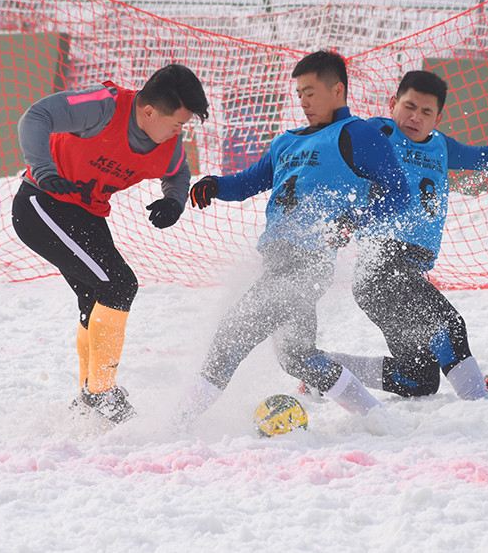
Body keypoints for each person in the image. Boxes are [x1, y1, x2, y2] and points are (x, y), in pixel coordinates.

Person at [174, 50, 411, 429]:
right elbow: (251, 180)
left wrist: (354, 220)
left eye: (311, 92)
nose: (303, 101)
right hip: (276, 261)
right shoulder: (287, 141)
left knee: (232, 333)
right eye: (299, 93)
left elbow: (401, 194)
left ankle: (175, 423)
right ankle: (377, 418)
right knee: (297, 357)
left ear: (338, 91)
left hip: (308, 265)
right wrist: (216, 185)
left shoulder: (359, 134)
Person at [315, 70, 488, 402]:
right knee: (450, 326)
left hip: (401, 274)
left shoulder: (441, 147)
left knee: (417, 379)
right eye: (409, 106)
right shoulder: (374, 133)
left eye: (426, 112)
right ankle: (481, 409)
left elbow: (485, 157)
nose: (415, 117)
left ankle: (320, 368)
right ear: (393, 104)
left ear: (438, 117)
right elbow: (330, 144)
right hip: (380, 268)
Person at [11, 63, 210, 424]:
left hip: (87, 215)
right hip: (42, 203)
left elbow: (178, 173)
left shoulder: (169, 144)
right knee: (120, 284)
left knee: (97, 297)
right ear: (149, 111)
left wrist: (174, 201)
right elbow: (35, 116)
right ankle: (100, 392)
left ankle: (91, 392)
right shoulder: (104, 107)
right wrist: (44, 169)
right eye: (178, 123)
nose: (180, 132)